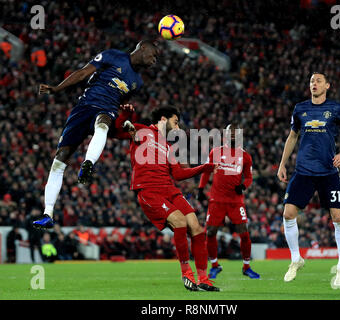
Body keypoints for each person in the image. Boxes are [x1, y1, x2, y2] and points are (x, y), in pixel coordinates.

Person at [33, 40, 160, 229]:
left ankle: (89, 163)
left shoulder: (137, 83)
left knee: (103, 124)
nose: (154, 60)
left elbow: (119, 102)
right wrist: (57, 88)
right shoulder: (113, 55)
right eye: (153, 55)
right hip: (84, 107)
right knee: (60, 159)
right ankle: (48, 213)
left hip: (107, 108)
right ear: (142, 48)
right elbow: (84, 72)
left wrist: (124, 112)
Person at [112, 106, 220, 292]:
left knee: (196, 226)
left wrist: (204, 167)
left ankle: (203, 278)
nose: (178, 128)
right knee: (179, 221)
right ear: (163, 119)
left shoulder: (168, 145)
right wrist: (126, 115)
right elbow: (115, 130)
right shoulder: (142, 130)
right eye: (175, 122)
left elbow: (177, 174)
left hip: (170, 189)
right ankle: (187, 274)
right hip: (149, 190)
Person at [277, 72, 340, 289]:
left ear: (327, 86)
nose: (314, 83)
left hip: (328, 171)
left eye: (318, 81)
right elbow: (292, 136)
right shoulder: (300, 109)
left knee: (337, 215)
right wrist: (282, 163)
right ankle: (296, 259)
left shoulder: (336, 108)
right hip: (303, 170)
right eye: (312, 81)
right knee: (288, 213)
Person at [197, 123, 260, 279]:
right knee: (210, 233)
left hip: (235, 201)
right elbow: (206, 171)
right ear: (224, 134)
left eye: (235, 132)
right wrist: (200, 188)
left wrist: (243, 186)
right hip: (216, 200)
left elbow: (250, 177)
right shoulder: (215, 152)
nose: (232, 134)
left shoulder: (245, 156)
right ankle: (215, 265)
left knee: (244, 233)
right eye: (230, 132)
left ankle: (246, 266)